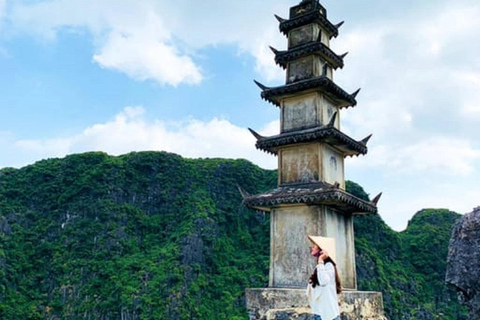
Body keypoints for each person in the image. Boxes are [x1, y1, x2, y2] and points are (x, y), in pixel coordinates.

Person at [306, 235, 341, 320]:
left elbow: (323, 281)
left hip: (329, 315)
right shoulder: (320, 267)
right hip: (320, 313)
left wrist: (321, 260)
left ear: (321, 250)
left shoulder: (329, 266)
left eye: (314, 246)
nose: (312, 248)